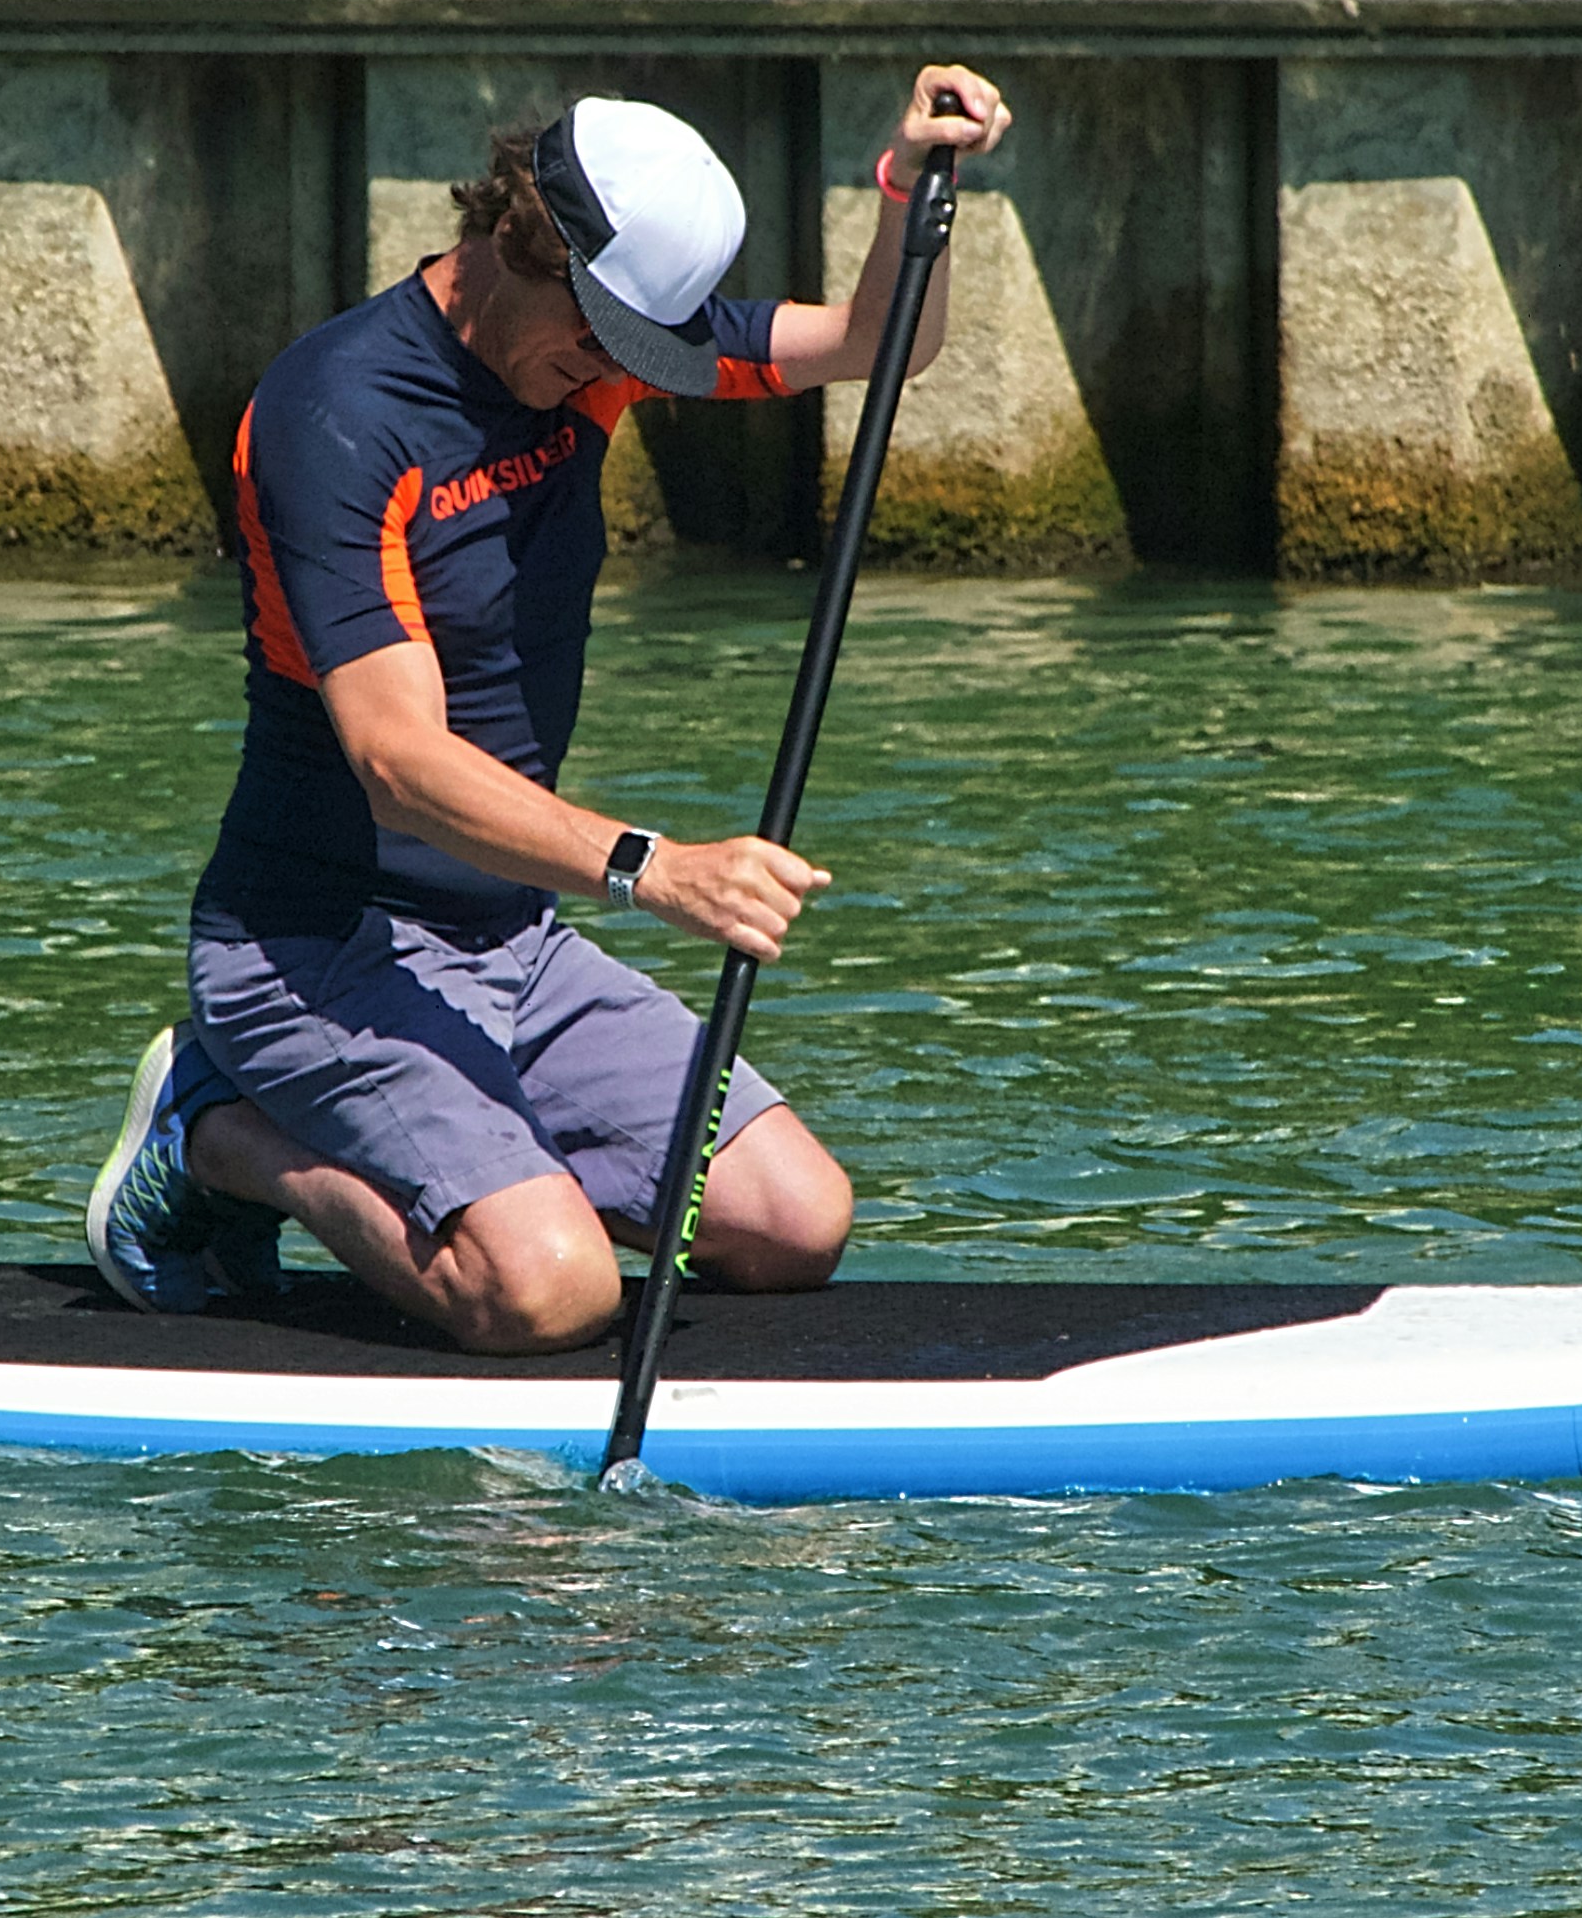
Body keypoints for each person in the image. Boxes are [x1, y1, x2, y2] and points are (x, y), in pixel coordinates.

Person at [86, 65, 1015, 1354]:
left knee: (794, 1227)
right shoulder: (337, 415)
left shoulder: (592, 366)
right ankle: (216, 1133)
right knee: (547, 1294)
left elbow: (880, 342)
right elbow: (398, 763)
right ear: (521, 241)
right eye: (595, 338)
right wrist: (657, 871)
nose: (606, 373)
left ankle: (491, 1158)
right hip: (314, 947)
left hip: (510, 942)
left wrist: (916, 189)